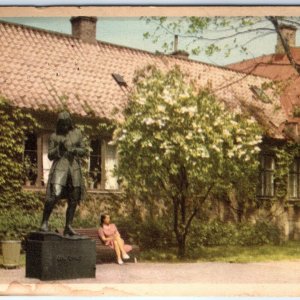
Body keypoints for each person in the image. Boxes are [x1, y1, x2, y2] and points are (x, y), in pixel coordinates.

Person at [40, 111, 87, 236]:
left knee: (74, 196)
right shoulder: (54, 136)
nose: (65, 127)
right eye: (63, 125)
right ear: (59, 124)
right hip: (60, 166)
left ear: (70, 123)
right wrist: (58, 149)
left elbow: (83, 150)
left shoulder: (77, 133)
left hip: (74, 167)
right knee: (54, 193)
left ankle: (68, 225)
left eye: (67, 125)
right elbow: (50, 155)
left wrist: (75, 150)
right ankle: (44, 222)